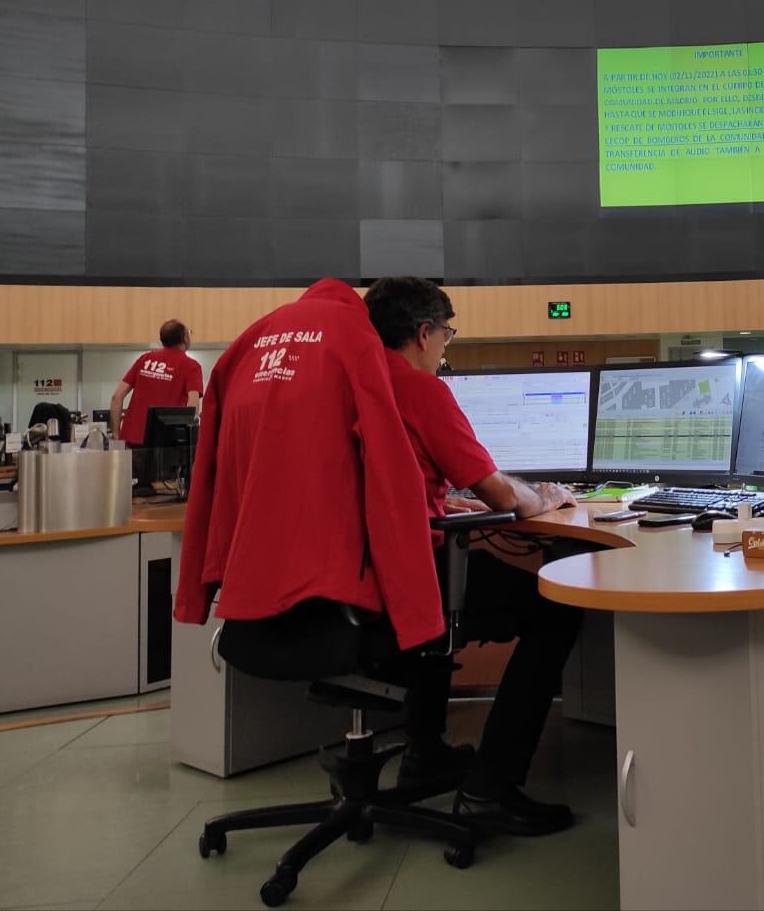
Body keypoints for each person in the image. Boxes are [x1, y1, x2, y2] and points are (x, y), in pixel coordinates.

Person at [172, 279, 470, 783]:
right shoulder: (355, 342)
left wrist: (198, 591)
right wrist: (418, 613)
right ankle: (474, 772)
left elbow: (206, 478)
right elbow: (390, 475)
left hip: (248, 610)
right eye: (446, 334)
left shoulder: (246, 344)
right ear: (424, 333)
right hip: (338, 608)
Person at [364, 276, 582, 837]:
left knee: (460, 589)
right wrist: (547, 497)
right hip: (415, 577)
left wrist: (439, 499)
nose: (444, 348)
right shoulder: (417, 389)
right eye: (445, 336)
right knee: (555, 608)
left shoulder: (354, 385)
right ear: (422, 332)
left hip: (358, 581)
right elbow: (503, 496)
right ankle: (492, 786)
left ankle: (425, 751)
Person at [111, 319, 203, 446]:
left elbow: (117, 397)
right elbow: (193, 406)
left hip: (131, 438)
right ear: (185, 338)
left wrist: (116, 433)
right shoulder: (191, 366)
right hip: (166, 441)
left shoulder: (145, 359)